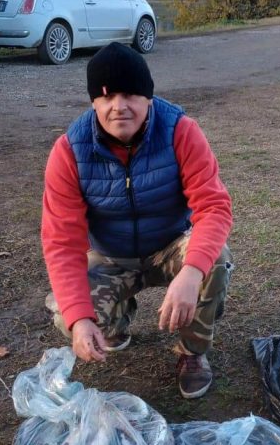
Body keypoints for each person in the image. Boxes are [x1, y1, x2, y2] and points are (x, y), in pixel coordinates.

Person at [41, 42, 233, 399]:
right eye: (107, 96)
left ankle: (192, 353)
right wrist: (81, 319)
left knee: (213, 260)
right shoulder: (69, 151)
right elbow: (61, 242)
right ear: (93, 102)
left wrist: (191, 274)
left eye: (130, 94)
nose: (119, 106)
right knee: (67, 315)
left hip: (169, 245)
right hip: (110, 256)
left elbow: (214, 207)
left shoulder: (181, 131)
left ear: (148, 97)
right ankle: (115, 321)